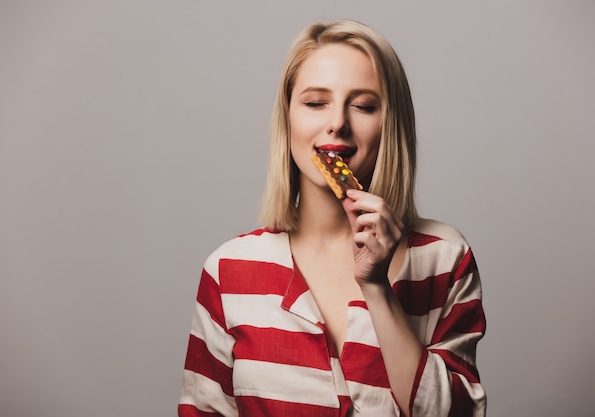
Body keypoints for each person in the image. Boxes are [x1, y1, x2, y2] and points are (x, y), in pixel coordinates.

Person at [178, 20, 486, 417]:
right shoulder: (229, 270)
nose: (337, 122)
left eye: (364, 105)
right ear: (287, 118)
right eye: (315, 102)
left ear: (390, 124)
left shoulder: (443, 258)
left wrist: (376, 287)